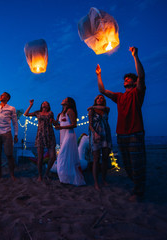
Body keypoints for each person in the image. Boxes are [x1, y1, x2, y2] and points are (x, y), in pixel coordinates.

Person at [96, 46, 146, 201]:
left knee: (137, 164)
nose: (126, 79)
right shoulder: (119, 96)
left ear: (135, 81)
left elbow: (142, 77)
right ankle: (137, 186)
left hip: (135, 133)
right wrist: (99, 75)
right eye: (125, 78)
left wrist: (135, 56)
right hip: (121, 135)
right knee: (127, 165)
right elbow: (103, 91)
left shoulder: (138, 92)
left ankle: (138, 192)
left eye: (129, 78)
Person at [55, 97, 85, 186]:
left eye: (65, 99)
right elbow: (58, 124)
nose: (62, 99)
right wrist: (54, 122)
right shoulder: (60, 114)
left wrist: (61, 127)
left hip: (69, 135)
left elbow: (74, 124)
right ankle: (66, 178)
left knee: (62, 156)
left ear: (68, 103)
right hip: (63, 135)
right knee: (66, 157)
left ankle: (68, 178)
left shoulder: (70, 111)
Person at [24, 99, 56, 181]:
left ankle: (47, 173)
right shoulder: (37, 113)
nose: (44, 103)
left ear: (48, 106)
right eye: (43, 103)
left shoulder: (50, 113)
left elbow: (54, 122)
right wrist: (30, 105)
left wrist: (55, 122)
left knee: (53, 157)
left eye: (46, 103)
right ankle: (40, 175)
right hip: (40, 135)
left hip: (50, 135)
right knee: (40, 157)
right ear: (41, 105)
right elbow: (26, 114)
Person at [87, 94, 112, 190]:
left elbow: (108, 107)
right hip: (95, 134)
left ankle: (104, 180)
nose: (100, 99)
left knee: (105, 158)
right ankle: (96, 182)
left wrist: (92, 106)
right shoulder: (91, 111)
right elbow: (90, 125)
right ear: (95, 99)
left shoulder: (106, 110)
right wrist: (95, 133)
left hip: (106, 134)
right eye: (98, 98)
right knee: (96, 159)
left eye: (102, 98)